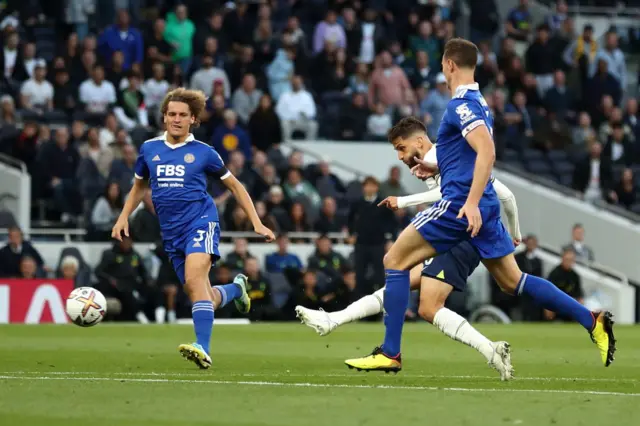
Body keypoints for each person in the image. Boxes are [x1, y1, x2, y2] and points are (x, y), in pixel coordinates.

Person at [344, 38, 615, 373]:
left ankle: (390, 352)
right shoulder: (478, 103)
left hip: (461, 205)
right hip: (484, 205)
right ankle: (591, 320)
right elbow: (470, 153)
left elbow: (487, 151)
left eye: (442, 64)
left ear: (449, 65)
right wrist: (439, 167)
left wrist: (469, 203)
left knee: (394, 259)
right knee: (513, 281)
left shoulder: (461, 105)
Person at [296, 142, 520, 380]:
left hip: (458, 239)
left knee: (428, 306)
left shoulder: (443, 153)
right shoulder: (447, 158)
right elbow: (503, 195)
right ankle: (334, 320)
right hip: (451, 237)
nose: (402, 158)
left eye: (401, 150)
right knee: (396, 285)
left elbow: (451, 194)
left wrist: (404, 201)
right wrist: (515, 232)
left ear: (415, 141)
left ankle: (489, 349)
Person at [111, 88, 275, 369]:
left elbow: (234, 185)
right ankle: (235, 290)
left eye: (182, 115)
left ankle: (203, 347)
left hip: (201, 222)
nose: (176, 119)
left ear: (193, 120)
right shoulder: (149, 149)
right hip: (171, 234)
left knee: (194, 277)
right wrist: (123, 216)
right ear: (164, 117)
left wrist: (257, 222)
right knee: (203, 294)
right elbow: (139, 186)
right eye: (172, 114)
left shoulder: (204, 153)